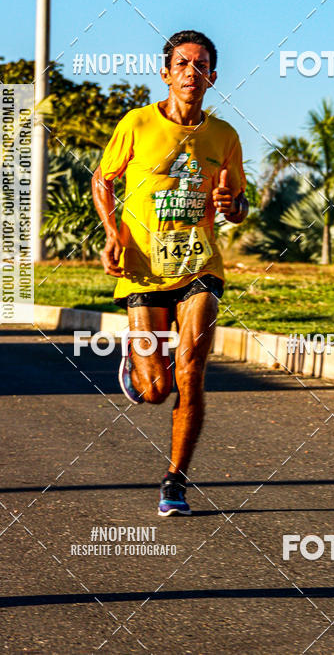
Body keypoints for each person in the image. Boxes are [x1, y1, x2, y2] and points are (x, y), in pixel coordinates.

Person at [92, 29, 248, 517]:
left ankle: (175, 481)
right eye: (182, 64)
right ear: (165, 73)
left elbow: (239, 203)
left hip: (200, 264)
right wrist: (113, 232)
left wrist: (231, 204)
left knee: (191, 370)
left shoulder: (224, 136)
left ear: (213, 77)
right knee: (157, 390)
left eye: (201, 65)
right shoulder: (137, 124)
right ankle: (137, 366)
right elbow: (103, 178)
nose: (192, 73)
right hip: (141, 268)